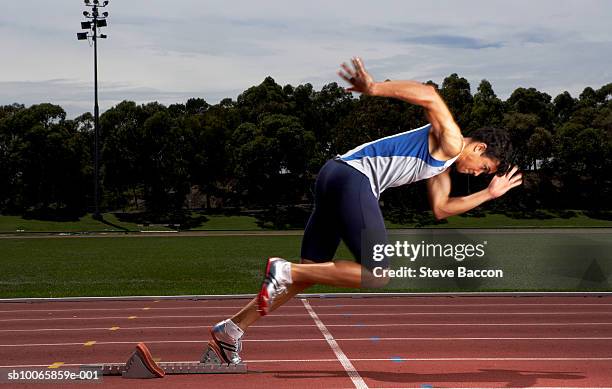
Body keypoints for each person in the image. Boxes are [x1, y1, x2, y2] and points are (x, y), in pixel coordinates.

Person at [206, 57, 523, 364]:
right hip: (355, 180)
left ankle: (231, 329)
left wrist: (488, 193)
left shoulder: (443, 163)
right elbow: (429, 95)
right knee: (377, 274)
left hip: (333, 173)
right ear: (479, 148)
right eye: (484, 168)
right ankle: (282, 269)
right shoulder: (452, 141)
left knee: (310, 271)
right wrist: (373, 89)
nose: (478, 173)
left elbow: (442, 208)